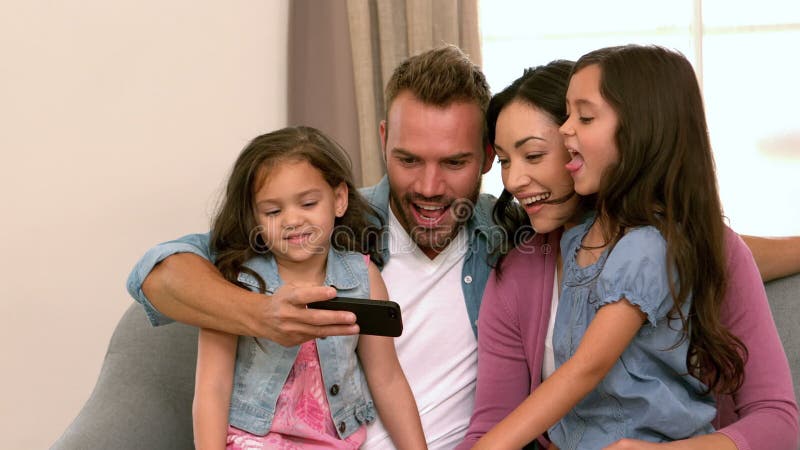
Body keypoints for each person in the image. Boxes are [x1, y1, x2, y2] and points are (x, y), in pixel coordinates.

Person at [127, 45, 799, 449]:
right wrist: (260, 316)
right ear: (384, 136)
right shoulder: (321, 225)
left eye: (453, 162)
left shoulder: (506, 241)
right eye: (408, 157)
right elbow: (161, 272)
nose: (427, 186)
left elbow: (702, 255)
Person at [463, 49, 798, 450]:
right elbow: (491, 430)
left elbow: (778, 422)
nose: (514, 180)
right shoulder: (527, 268)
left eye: (534, 154)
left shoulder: (687, 247)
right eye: (502, 160)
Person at [191, 126, 426, 449]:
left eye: (308, 203)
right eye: (273, 211)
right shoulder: (235, 283)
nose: (291, 220)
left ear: (339, 199)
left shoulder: (363, 278)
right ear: (254, 217)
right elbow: (212, 386)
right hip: (251, 441)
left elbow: (386, 378)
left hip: (333, 442)